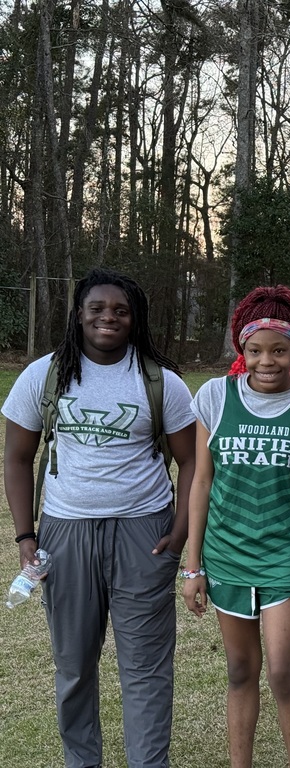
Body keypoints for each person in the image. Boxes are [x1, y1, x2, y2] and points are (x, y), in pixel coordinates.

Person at [2, 268, 196, 768]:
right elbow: (17, 459)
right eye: (97, 308)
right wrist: (26, 534)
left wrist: (180, 527)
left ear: (135, 320)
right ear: (79, 314)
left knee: (146, 669)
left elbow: (194, 459)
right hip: (65, 532)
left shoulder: (162, 382)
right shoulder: (43, 375)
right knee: (73, 668)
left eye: (120, 310)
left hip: (144, 532)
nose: (108, 317)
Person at [182, 285, 290, 768]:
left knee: (281, 672)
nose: (266, 361)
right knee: (239, 671)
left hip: (285, 554)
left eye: (279, 350)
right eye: (255, 351)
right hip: (227, 554)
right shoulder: (214, 395)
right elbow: (201, 482)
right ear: (241, 350)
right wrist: (194, 567)